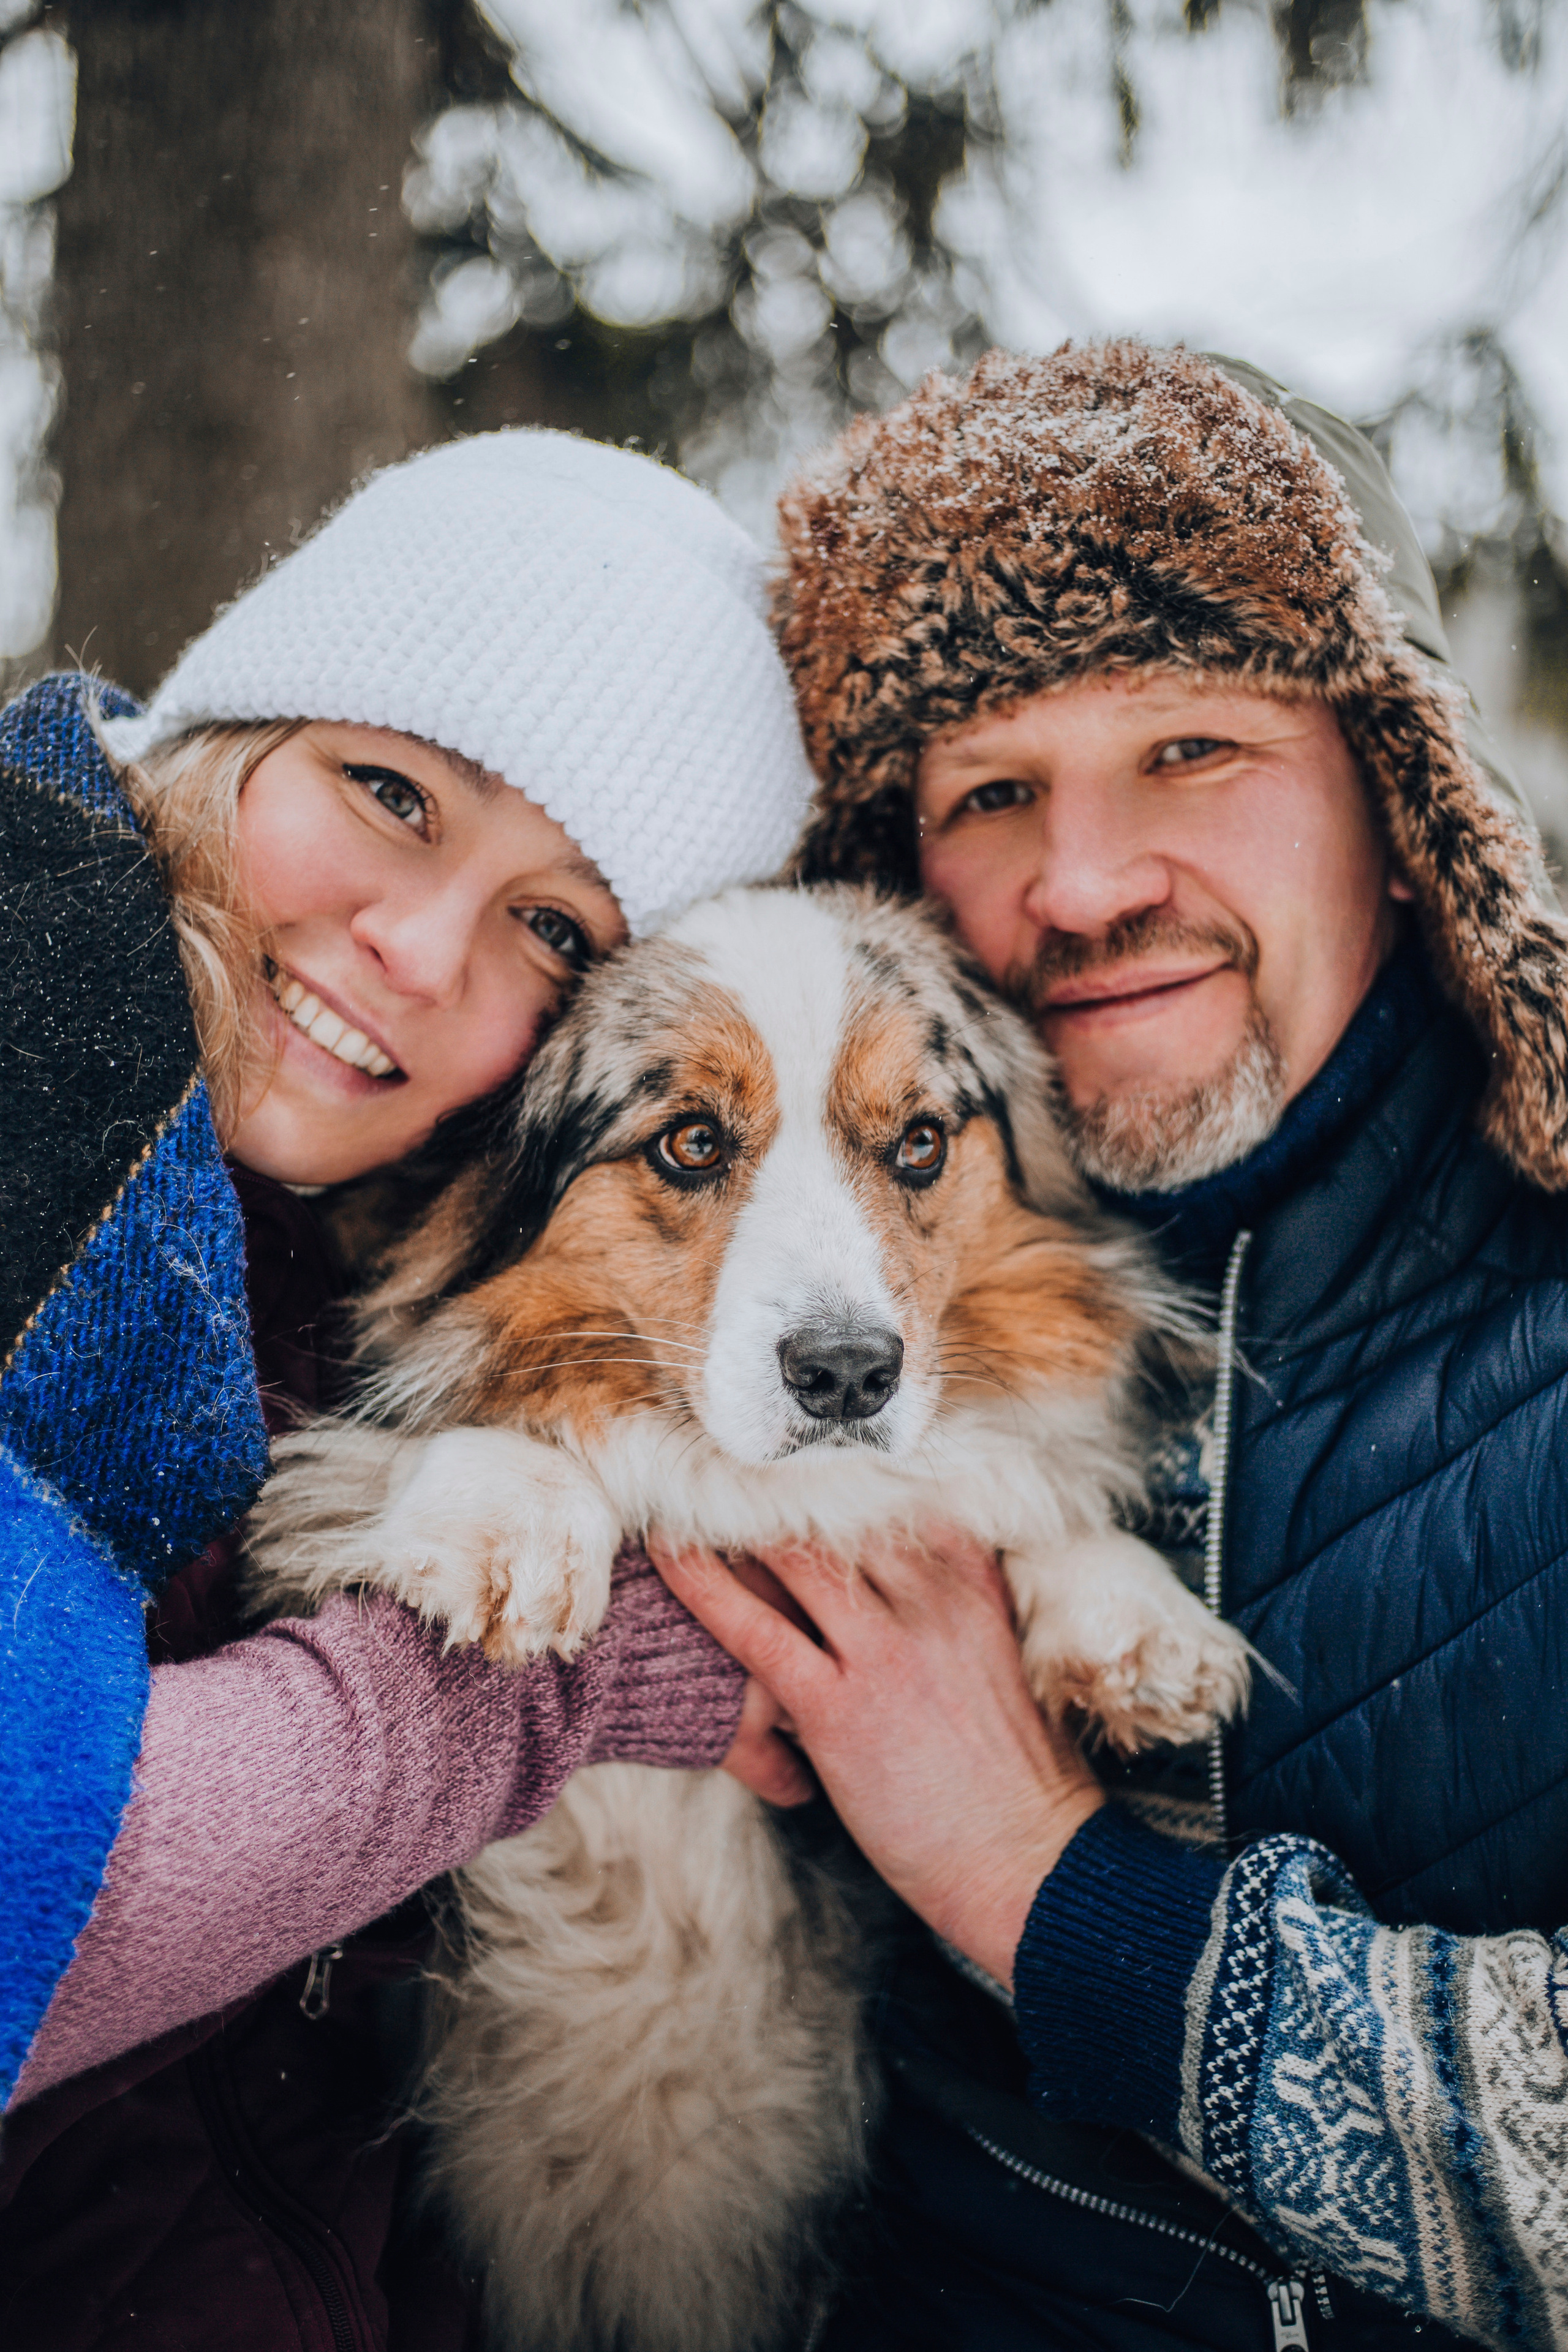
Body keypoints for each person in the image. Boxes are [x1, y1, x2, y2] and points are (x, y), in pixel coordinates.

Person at [660, 342, 1568, 2351]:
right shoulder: (779, 1332)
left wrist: (1041, 1884)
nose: (1079, 888)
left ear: (1405, 803)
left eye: (1191, 753)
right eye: (993, 794)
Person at [0, 428, 814, 2350]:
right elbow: (45, 1889)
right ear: (241, 728)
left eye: (559, 929)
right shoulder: (41, 1031)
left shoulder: (357, 1244)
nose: (426, 950)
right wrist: (599, 1673)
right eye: (390, 793)